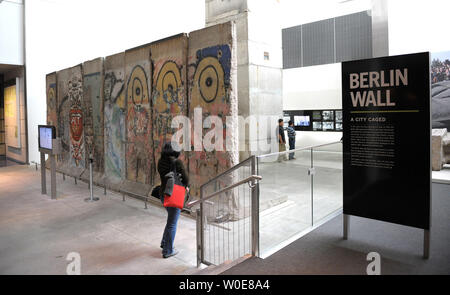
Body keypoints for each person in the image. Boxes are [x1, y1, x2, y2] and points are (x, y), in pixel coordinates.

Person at [158, 142, 189, 258]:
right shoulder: (177, 162)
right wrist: (185, 185)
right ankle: (168, 251)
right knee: (172, 223)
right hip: (174, 195)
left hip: (163, 193)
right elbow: (185, 179)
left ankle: (164, 243)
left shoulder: (161, 161)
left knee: (170, 220)